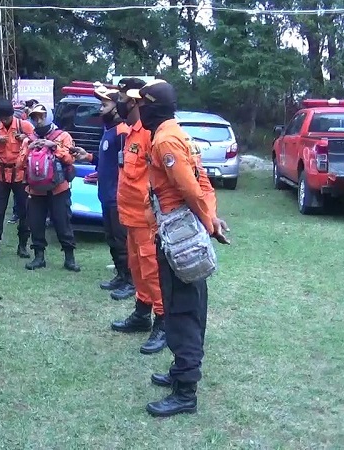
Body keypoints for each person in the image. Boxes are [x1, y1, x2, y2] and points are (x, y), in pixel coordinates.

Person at [128, 79, 230, 417]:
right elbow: (201, 181)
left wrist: (207, 219)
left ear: (152, 106)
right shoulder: (175, 132)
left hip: (178, 234)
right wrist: (210, 218)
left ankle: (186, 392)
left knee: (183, 310)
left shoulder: (166, 139)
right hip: (182, 229)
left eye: (140, 103)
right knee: (184, 305)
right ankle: (179, 372)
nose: (137, 109)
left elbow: (188, 185)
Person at [110, 77, 167, 355]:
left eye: (125, 99)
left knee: (152, 271)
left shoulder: (150, 134)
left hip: (147, 219)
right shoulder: (131, 132)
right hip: (130, 217)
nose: (121, 103)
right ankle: (142, 314)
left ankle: (163, 323)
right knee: (137, 269)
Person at [16, 104, 81, 272]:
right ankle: (39, 257)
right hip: (35, 191)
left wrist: (53, 146)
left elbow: (70, 159)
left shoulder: (63, 136)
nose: (38, 120)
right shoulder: (28, 139)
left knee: (62, 222)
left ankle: (69, 258)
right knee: (36, 224)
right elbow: (19, 164)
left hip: (59, 189)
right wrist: (29, 149)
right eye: (35, 117)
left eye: (42, 116)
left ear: (49, 116)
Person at [0, 99, 36, 260]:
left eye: (7, 117)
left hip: (21, 174)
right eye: (2, 118)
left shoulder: (24, 125)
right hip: (1, 175)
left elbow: (37, 142)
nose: (5, 121)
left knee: (24, 211)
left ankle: (23, 246)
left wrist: (24, 138)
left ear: (12, 114)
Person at [93, 86, 136, 299]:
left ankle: (131, 281)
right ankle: (120, 275)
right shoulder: (109, 132)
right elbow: (108, 162)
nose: (101, 109)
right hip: (105, 195)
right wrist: (91, 160)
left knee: (122, 241)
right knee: (112, 238)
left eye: (105, 105)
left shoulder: (123, 132)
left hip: (118, 197)